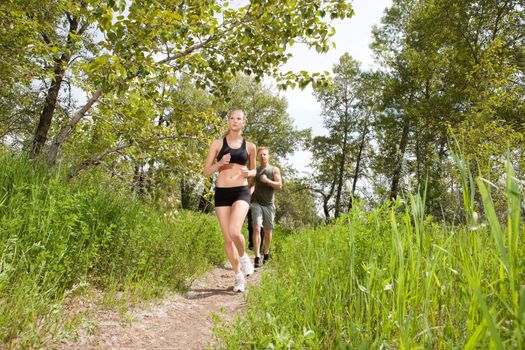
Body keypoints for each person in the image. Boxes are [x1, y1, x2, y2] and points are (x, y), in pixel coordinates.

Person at [203, 108, 256, 293]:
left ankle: (244, 258)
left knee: (235, 231)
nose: (234, 121)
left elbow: (254, 171)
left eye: (238, 118)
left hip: (241, 190)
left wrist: (249, 172)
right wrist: (219, 164)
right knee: (227, 238)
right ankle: (238, 276)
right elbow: (206, 171)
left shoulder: (250, 147)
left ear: (243, 122)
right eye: (232, 118)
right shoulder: (217, 143)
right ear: (228, 121)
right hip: (222, 192)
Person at [250, 146, 282, 268]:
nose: (262, 156)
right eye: (260, 155)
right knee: (257, 228)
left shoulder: (274, 170)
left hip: (269, 204)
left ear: (268, 156)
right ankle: (257, 256)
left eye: (264, 154)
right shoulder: (255, 171)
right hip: (256, 203)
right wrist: (249, 195)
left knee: (268, 231)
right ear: (258, 157)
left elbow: (279, 186)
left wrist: (267, 181)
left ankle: (266, 252)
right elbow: (251, 185)